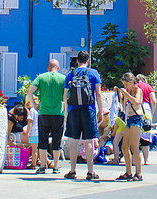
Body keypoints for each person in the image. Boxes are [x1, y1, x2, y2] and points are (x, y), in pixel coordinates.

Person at [62, 50, 103, 181]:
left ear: (77, 61)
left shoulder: (70, 74)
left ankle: (72, 170)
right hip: (88, 109)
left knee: (74, 140)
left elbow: (65, 95)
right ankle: (90, 171)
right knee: (89, 140)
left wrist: (66, 112)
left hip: (73, 110)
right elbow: (98, 94)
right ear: (88, 61)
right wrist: (100, 110)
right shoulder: (93, 73)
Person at [26, 59, 66, 174]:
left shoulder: (41, 77)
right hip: (58, 112)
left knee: (42, 139)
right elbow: (66, 96)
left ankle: (42, 166)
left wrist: (35, 106)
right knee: (56, 140)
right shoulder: (62, 78)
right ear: (57, 68)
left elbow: (30, 91)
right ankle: (56, 166)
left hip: (43, 112)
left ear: (48, 67)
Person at [114, 73, 145, 182]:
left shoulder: (137, 90)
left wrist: (126, 94)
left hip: (136, 118)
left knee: (134, 147)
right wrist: (121, 94)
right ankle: (128, 172)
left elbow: (137, 102)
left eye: (126, 84)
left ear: (131, 82)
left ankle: (139, 173)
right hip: (129, 119)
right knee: (124, 146)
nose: (126, 86)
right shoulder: (129, 91)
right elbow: (124, 105)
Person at [135, 73, 157, 164]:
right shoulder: (148, 87)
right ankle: (146, 160)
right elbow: (154, 101)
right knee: (146, 135)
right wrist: (152, 113)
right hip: (146, 110)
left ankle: (134, 160)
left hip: (135, 110)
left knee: (134, 135)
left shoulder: (134, 86)